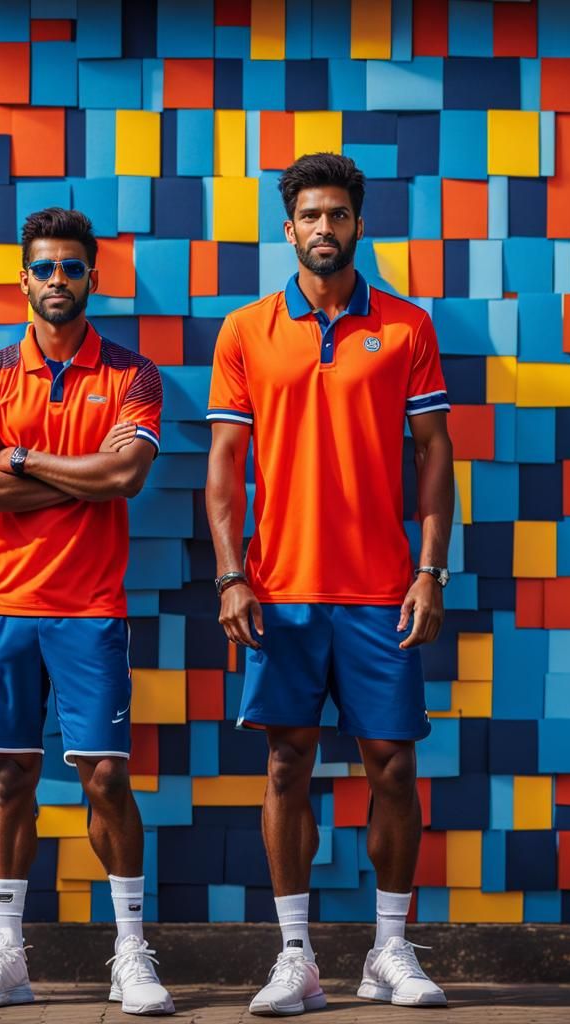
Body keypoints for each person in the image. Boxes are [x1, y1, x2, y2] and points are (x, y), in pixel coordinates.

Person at [205, 153, 453, 1014]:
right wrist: (232, 575)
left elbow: (433, 453)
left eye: (338, 215)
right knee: (287, 764)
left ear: (358, 224)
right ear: (289, 227)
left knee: (391, 765)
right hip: (280, 588)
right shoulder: (244, 330)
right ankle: (296, 958)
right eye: (309, 215)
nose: (323, 228)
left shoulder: (408, 328)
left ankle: (390, 951)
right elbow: (224, 466)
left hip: (383, 587)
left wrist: (429, 568)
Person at [0, 207, 173, 1015]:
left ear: (92, 279)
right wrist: (81, 473)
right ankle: (8, 953)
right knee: (11, 776)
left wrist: (25, 458)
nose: (57, 281)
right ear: (24, 278)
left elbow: (125, 480)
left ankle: (131, 954)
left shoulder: (134, 375)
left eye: (72, 268)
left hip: (89, 607)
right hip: (4, 602)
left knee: (106, 777)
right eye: (43, 268)